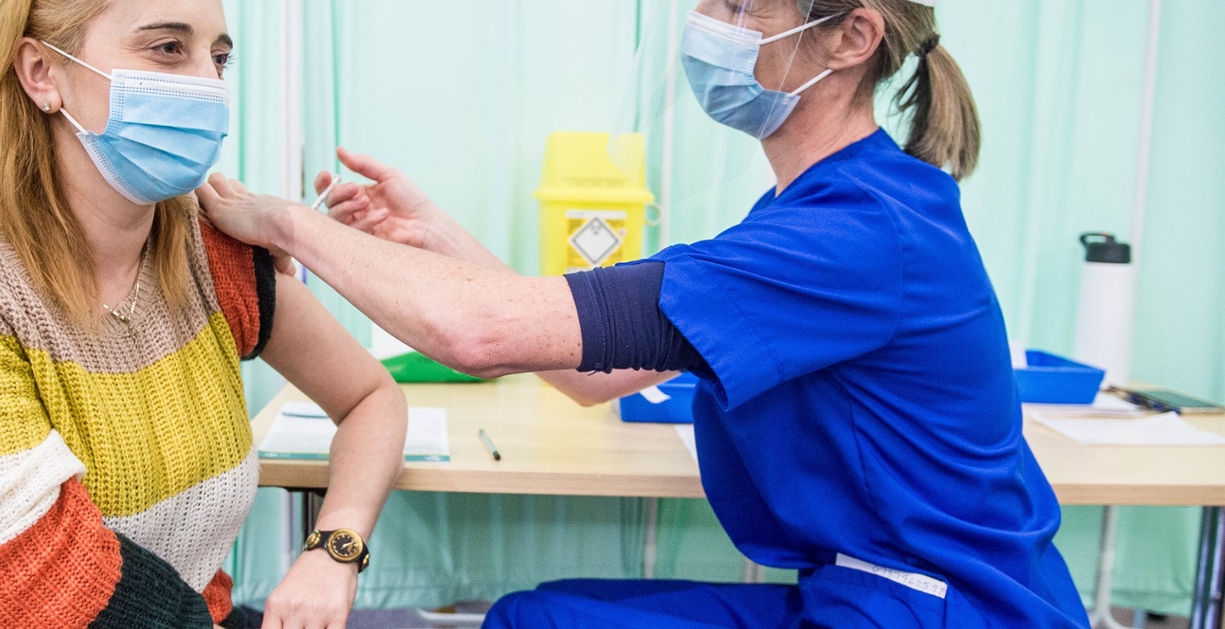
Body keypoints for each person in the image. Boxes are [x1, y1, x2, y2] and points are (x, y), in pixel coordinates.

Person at [196, 0, 1089, 626]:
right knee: (532, 614)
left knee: (531, 624)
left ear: (853, 36)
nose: (710, 26)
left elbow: (478, 332)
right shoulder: (815, 215)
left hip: (937, 609)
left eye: (743, 7)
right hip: (881, 592)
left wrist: (282, 221)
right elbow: (595, 371)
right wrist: (431, 233)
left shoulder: (853, 238)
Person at [0, 1, 407, 627]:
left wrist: (334, 549)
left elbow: (371, 398)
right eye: (167, 48)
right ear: (42, 72)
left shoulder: (210, 253)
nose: (208, 85)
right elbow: (41, 583)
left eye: (218, 58)